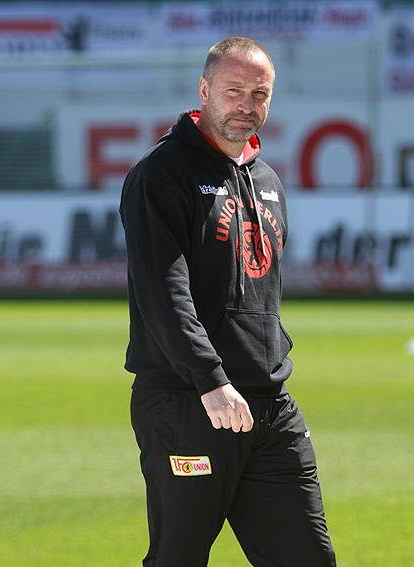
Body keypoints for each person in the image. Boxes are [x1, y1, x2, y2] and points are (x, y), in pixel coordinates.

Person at [120, 36, 337, 567]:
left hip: (269, 405)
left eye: (259, 94)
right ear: (204, 90)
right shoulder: (162, 173)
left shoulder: (268, 181)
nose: (247, 105)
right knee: (178, 558)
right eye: (233, 90)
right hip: (190, 401)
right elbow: (163, 292)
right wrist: (211, 379)